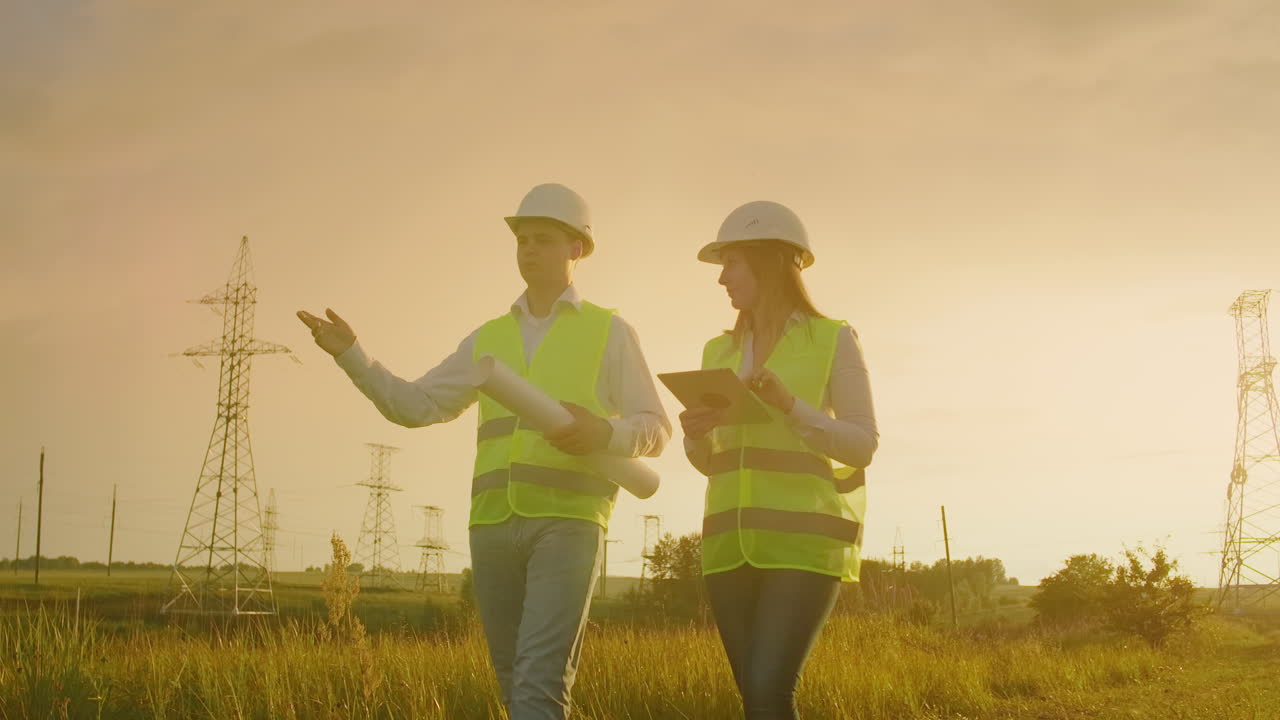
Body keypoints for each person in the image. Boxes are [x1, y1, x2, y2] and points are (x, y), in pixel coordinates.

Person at [297, 183, 670, 720]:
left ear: (577, 249)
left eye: (542, 239)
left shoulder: (610, 332)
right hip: (493, 525)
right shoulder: (487, 337)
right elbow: (415, 405)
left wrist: (606, 435)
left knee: (539, 681)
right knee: (512, 684)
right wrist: (352, 355)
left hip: (568, 522)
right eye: (522, 239)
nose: (528, 249)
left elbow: (655, 428)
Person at [679, 200, 879, 720]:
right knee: (757, 698)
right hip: (728, 547)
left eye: (732, 263)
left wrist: (791, 406)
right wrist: (696, 436)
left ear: (770, 262)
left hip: (804, 546)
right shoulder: (716, 352)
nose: (722, 279)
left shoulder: (833, 339)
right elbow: (711, 462)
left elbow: (861, 445)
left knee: (769, 690)